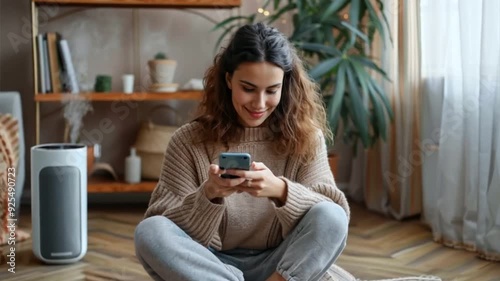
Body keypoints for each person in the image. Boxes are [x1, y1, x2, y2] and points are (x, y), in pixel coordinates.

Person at [134, 22, 350, 281]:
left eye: (272, 91)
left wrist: (281, 191)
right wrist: (209, 195)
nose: (259, 104)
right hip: (209, 264)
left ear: (285, 85)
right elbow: (163, 223)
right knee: (150, 231)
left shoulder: (306, 138)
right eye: (248, 88)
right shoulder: (187, 141)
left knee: (331, 216)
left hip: (281, 265)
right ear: (228, 80)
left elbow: (334, 214)